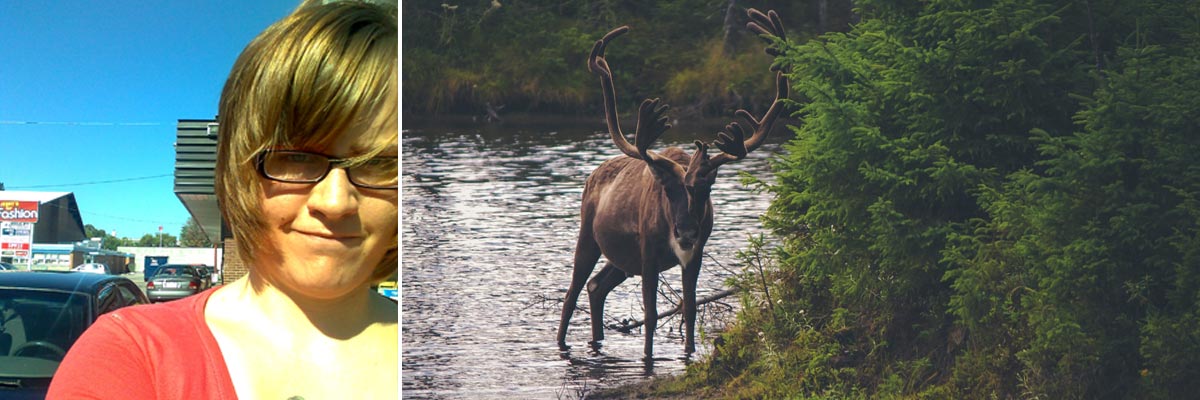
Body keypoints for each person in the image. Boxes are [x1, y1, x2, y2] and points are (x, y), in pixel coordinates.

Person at [47, 1, 398, 398]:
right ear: (239, 169)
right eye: (296, 157)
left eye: (379, 163)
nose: (336, 202)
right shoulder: (131, 358)